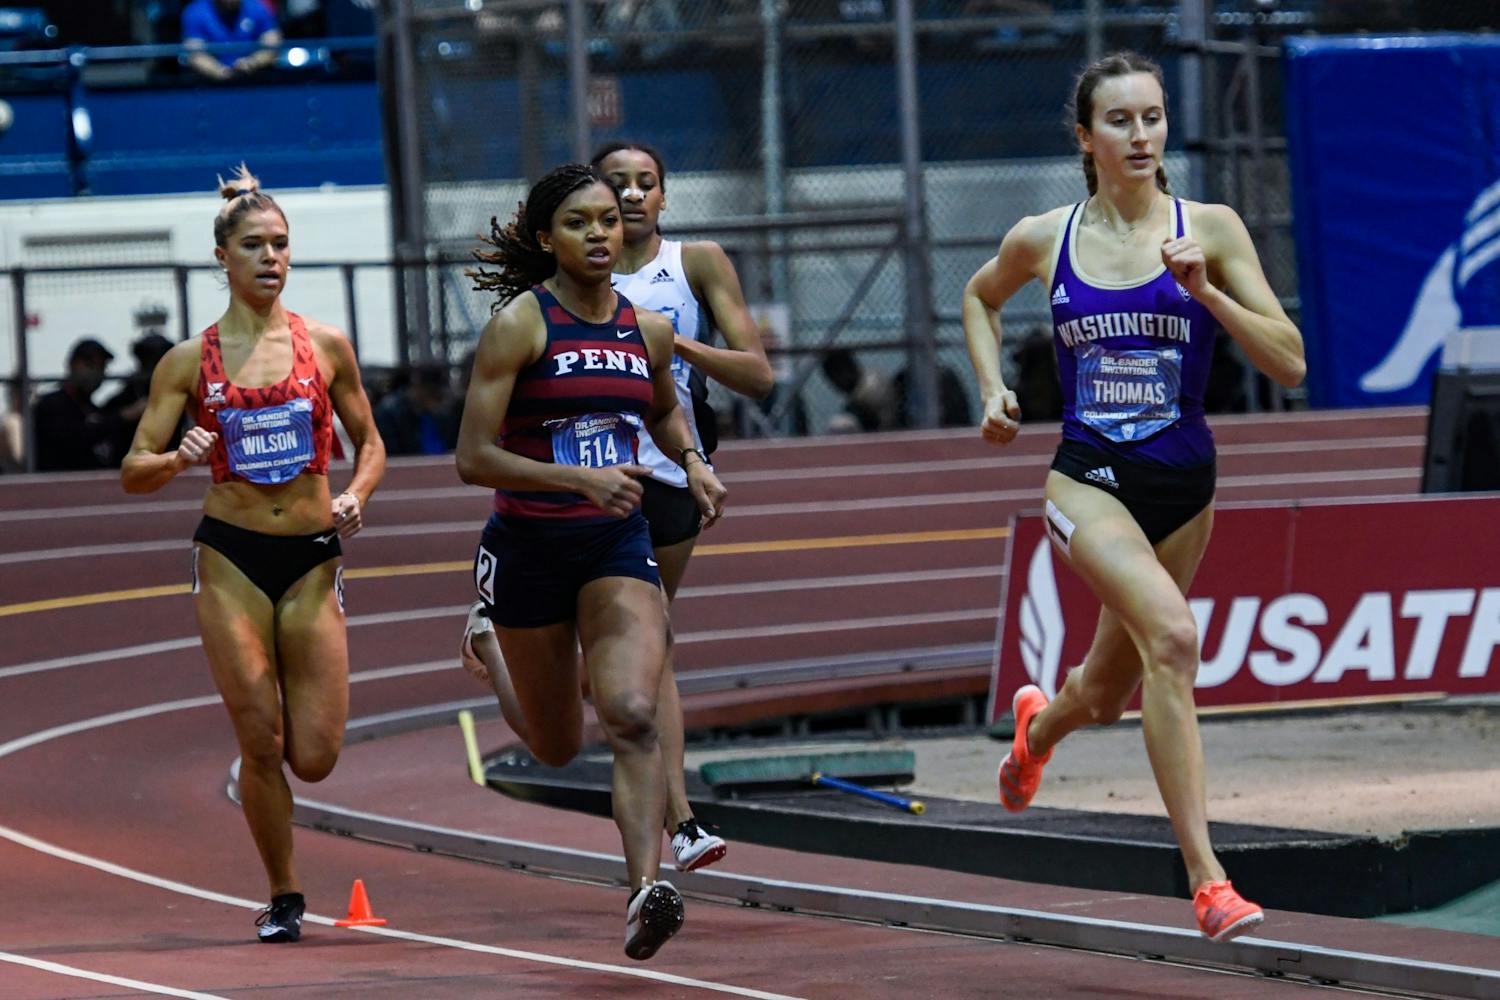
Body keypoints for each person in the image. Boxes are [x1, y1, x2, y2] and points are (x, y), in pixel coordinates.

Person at [960, 51, 1305, 943]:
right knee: (1174, 638)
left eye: (1152, 118)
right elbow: (978, 297)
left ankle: (1038, 730)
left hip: (1185, 486)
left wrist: (1209, 294)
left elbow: (1291, 362)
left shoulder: (1212, 229)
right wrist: (993, 388)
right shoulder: (1047, 237)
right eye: (1121, 121)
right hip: (1088, 481)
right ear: (1086, 138)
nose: (1143, 135)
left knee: (1108, 691)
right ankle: (1208, 879)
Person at [455, 162, 728, 961]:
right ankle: (489, 646)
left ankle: (647, 888)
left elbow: (668, 407)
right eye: (580, 223)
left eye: (608, 219)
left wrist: (694, 460)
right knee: (553, 746)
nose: (601, 234)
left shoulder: (645, 328)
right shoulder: (520, 326)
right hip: (529, 548)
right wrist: (578, 477)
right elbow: (473, 458)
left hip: (615, 542)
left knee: (634, 713)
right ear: (547, 239)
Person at [120, 165, 385, 944]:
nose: (271, 258)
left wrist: (357, 496)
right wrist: (175, 458)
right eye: (255, 246)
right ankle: (285, 892)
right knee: (260, 739)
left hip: (311, 557)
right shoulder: (185, 362)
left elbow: (371, 445)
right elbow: (134, 468)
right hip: (231, 557)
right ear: (222, 257)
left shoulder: (326, 346)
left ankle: (285, 872)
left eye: (281, 245)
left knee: (317, 755)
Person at [593, 138, 771, 870]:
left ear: (664, 196)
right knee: (632, 644)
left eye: (646, 184)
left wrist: (674, 348)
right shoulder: (571, 272)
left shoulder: (695, 264)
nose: (633, 196)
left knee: (650, 637)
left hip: (671, 475)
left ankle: (680, 821)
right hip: (592, 477)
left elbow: (758, 375)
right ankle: (679, 818)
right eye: (617, 185)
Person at [33, 337, 116, 471]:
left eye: (101, 367)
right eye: (89, 364)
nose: (95, 372)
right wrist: (120, 418)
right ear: (71, 364)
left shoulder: (96, 410)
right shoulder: (50, 405)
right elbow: (67, 442)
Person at [103, 331, 177, 466]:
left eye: (161, 358)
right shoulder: (124, 398)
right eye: (148, 359)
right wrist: (125, 415)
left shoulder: (180, 394)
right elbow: (103, 429)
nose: (155, 366)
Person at [181, 0, 281, 81]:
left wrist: (252, 63)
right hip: (210, 87)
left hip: (257, 83)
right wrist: (220, 71)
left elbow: (272, 45)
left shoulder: (258, 7)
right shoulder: (195, 12)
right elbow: (195, 54)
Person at [373, 362, 458, 455]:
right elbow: (394, 457)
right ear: (420, 388)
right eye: (436, 396)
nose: (441, 403)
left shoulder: (440, 417)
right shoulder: (389, 416)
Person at [821, 347, 896, 432]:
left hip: (885, 433)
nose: (834, 383)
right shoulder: (865, 381)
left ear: (848, 367)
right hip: (882, 432)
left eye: (835, 374)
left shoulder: (870, 386)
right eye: (830, 378)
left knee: (841, 424)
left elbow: (875, 419)